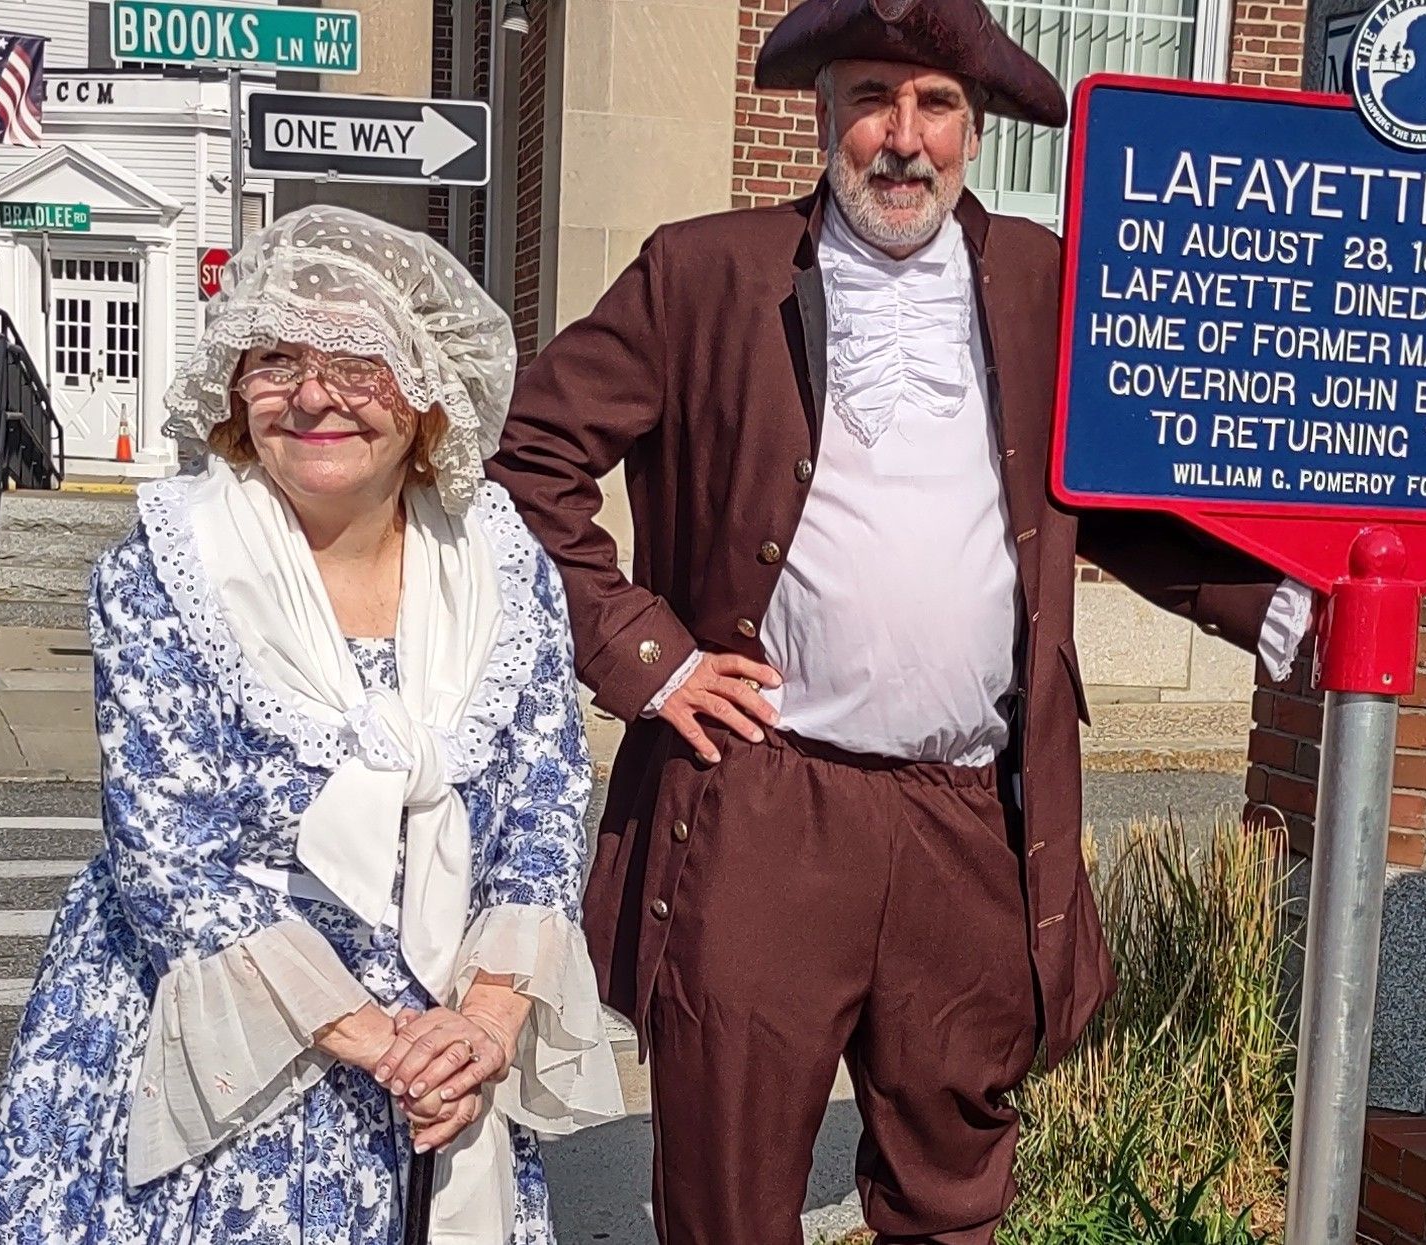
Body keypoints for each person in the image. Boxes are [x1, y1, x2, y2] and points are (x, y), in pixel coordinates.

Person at [490, 1, 1312, 1239]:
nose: (902, 138)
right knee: (725, 1184)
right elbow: (530, 462)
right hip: (766, 798)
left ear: (974, 131)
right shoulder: (704, 271)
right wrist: (647, 658)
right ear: (824, 115)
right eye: (873, 98)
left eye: (935, 107)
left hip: (974, 812)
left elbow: (1120, 497)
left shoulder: (1047, 281)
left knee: (952, 1182)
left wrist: (1279, 597)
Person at [0, 205, 622, 1245]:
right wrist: (382, 1043)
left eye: (359, 358)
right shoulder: (166, 566)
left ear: (425, 388)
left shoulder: (500, 568)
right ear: (233, 385)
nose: (314, 394)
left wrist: (483, 1032)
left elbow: (542, 818)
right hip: (228, 1039)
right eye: (276, 357)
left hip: (444, 1048)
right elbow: (173, 859)